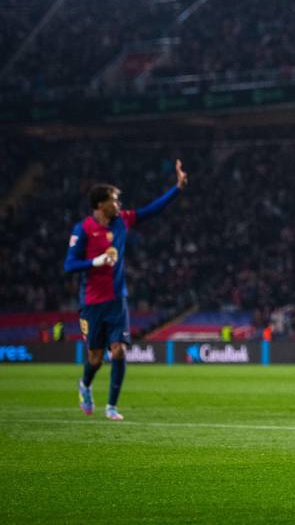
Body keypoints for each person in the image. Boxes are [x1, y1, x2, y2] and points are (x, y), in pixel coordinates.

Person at [64, 159, 186, 421]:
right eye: (114, 200)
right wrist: (95, 262)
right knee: (95, 358)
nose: (119, 204)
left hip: (117, 300)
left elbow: (152, 210)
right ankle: (85, 385)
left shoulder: (122, 221)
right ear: (100, 204)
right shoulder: (83, 229)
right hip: (92, 303)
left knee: (119, 349)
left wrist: (177, 188)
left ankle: (111, 406)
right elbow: (69, 265)